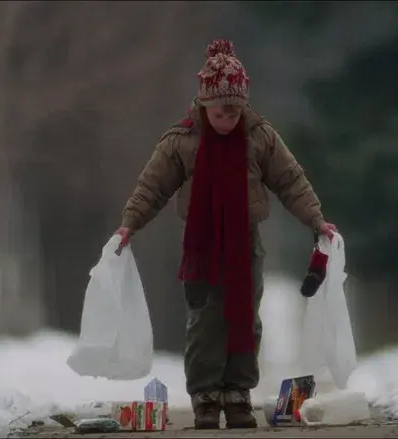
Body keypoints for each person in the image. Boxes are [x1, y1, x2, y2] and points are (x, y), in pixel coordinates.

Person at [114, 39, 338, 430]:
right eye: (219, 113)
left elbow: (289, 181)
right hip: (201, 247)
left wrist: (316, 220)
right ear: (203, 105)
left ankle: (237, 394)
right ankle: (204, 396)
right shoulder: (182, 140)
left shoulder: (260, 137)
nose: (227, 121)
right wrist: (130, 223)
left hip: (245, 243)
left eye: (235, 113)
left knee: (245, 317)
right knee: (204, 321)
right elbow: (153, 187)